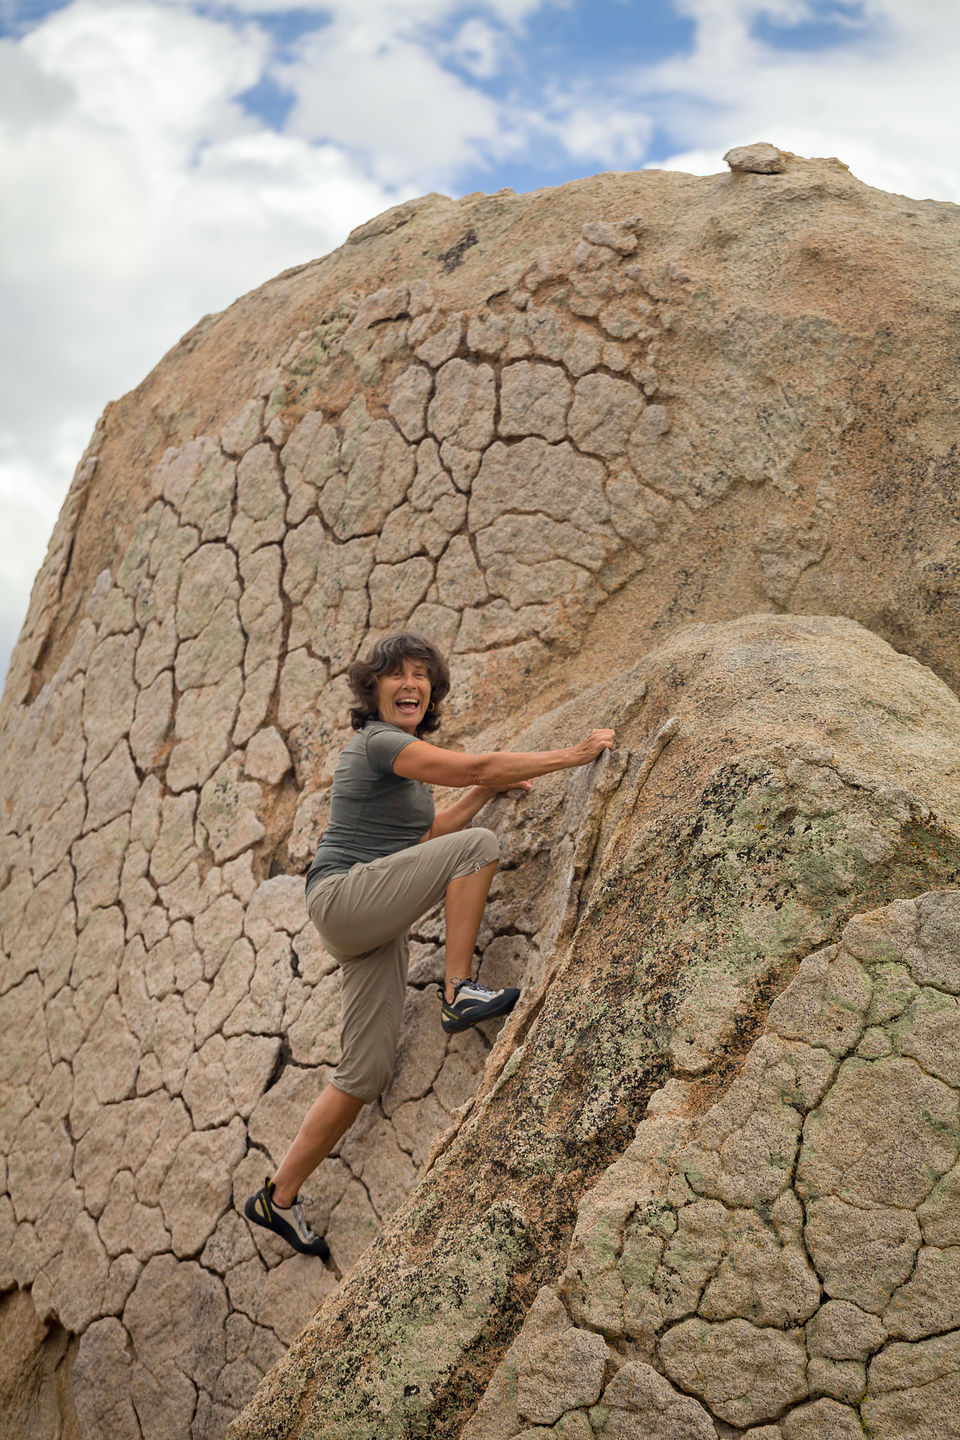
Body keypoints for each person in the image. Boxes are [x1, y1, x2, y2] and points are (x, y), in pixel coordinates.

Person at [244, 632, 615, 1258]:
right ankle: (458, 989)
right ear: (374, 690)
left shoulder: (407, 770)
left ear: (432, 690)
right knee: (478, 850)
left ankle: (277, 1197)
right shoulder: (380, 742)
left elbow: (429, 835)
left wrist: (481, 795)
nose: (410, 684)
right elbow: (474, 769)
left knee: (365, 1072)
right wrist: (573, 755)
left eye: (422, 675)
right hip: (343, 897)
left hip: (364, 916)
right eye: (396, 675)